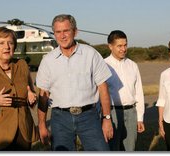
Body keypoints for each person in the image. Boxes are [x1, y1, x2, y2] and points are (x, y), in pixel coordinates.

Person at [36, 14, 113, 151]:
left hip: (89, 117)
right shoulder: (48, 60)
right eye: (58, 32)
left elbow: (103, 88)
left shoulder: (91, 54)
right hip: (60, 119)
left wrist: (107, 118)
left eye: (66, 31)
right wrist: (42, 124)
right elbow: (43, 94)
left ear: (75, 31)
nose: (62, 36)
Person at [104, 30, 145, 151]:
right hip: (112, 114)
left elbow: (139, 93)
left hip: (131, 113)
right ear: (110, 46)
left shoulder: (133, 65)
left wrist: (140, 118)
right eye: (119, 46)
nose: (123, 49)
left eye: (125, 45)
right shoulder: (103, 65)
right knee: (113, 148)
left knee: (130, 149)